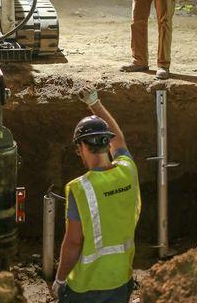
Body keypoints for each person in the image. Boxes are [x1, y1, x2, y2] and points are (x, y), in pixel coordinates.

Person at [52, 87, 141, 303]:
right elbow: (119, 140)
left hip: (86, 287)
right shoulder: (128, 170)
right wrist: (95, 103)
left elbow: (73, 242)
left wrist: (60, 280)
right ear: (106, 143)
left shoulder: (80, 188)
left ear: (82, 146)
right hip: (121, 279)